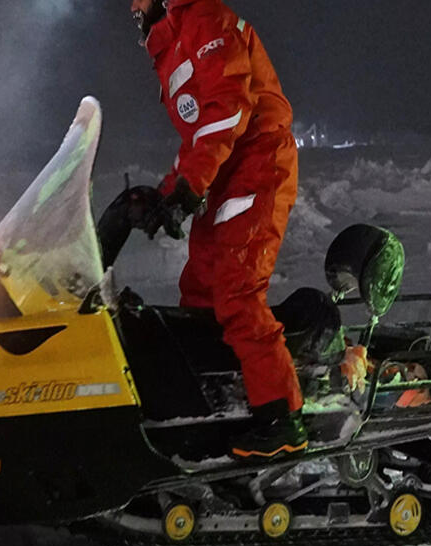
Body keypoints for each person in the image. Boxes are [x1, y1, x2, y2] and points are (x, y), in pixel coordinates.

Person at [131, 0, 306, 459]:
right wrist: (167, 192)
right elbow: (199, 135)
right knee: (200, 289)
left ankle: (280, 417)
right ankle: (215, 400)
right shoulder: (170, 40)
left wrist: (189, 186)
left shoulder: (205, 18)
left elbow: (228, 108)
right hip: (227, 172)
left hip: (258, 166)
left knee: (235, 287)